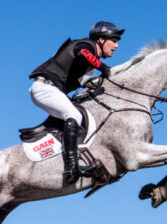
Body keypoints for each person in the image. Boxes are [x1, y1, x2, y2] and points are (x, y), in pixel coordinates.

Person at [28, 21, 124, 184]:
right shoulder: (86, 45)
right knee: (73, 114)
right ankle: (71, 168)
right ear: (101, 39)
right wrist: (103, 67)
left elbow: (84, 84)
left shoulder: (89, 68)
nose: (116, 46)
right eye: (113, 40)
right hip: (44, 87)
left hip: (53, 91)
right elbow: (82, 53)